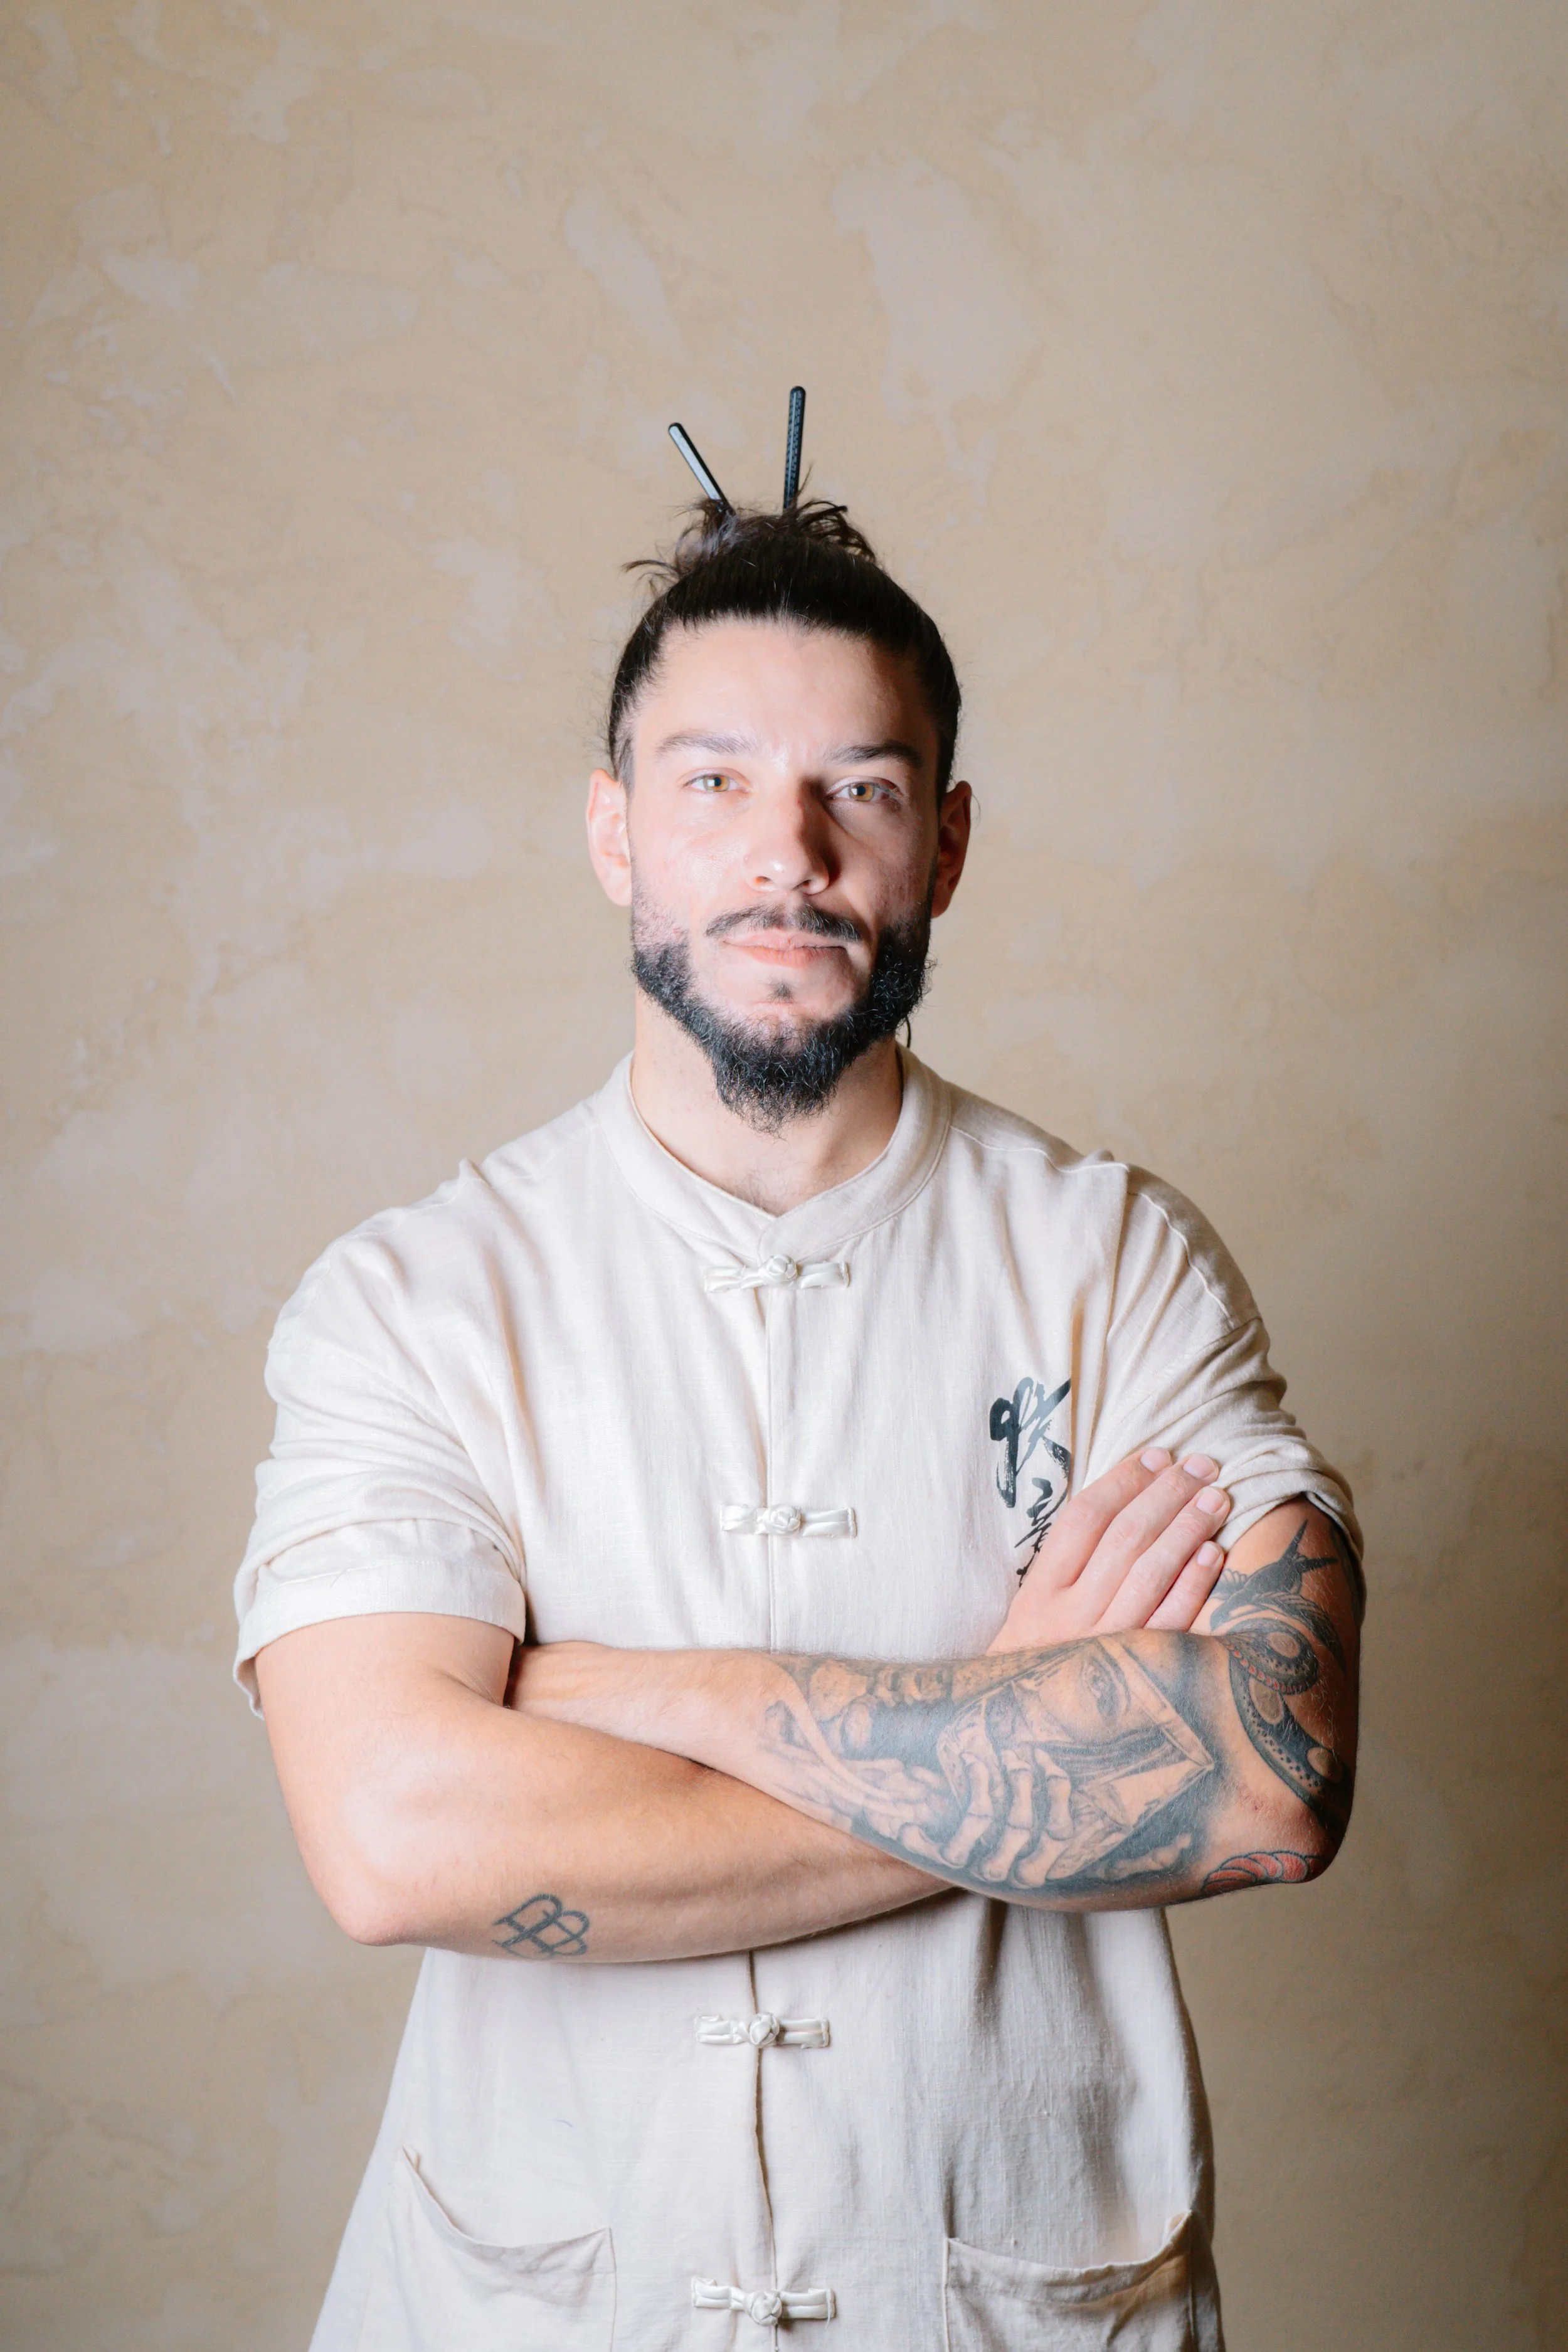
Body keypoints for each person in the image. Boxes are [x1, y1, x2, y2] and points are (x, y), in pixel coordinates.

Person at [236, 495, 1362, 2351]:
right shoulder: (412, 1298)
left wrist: (631, 1692)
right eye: (713, 783)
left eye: (863, 787)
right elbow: (394, 1836)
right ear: (613, 828)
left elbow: (1263, 1769)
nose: (791, 852)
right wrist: (1018, 1725)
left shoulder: (1118, 1261)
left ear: (947, 842)